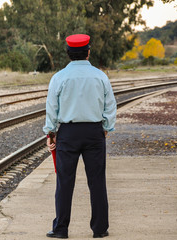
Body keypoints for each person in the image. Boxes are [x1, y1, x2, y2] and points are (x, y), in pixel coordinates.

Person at [43, 34, 117, 239]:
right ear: (88, 52)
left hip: (68, 133)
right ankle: (100, 229)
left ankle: (61, 229)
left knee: (65, 182)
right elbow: (110, 105)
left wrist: (50, 132)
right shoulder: (100, 76)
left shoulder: (59, 77)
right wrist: (106, 128)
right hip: (94, 133)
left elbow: (52, 108)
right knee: (97, 181)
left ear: (68, 53)